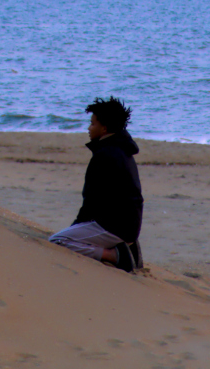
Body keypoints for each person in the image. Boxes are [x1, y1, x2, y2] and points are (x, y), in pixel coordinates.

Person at [48, 97, 144, 273]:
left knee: (57, 241)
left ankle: (115, 255)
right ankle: (127, 248)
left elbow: (91, 201)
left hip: (116, 227)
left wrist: (75, 228)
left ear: (104, 128)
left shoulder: (105, 155)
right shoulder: (123, 150)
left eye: (92, 124)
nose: (88, 128)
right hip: (130, 225)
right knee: (72, 234)